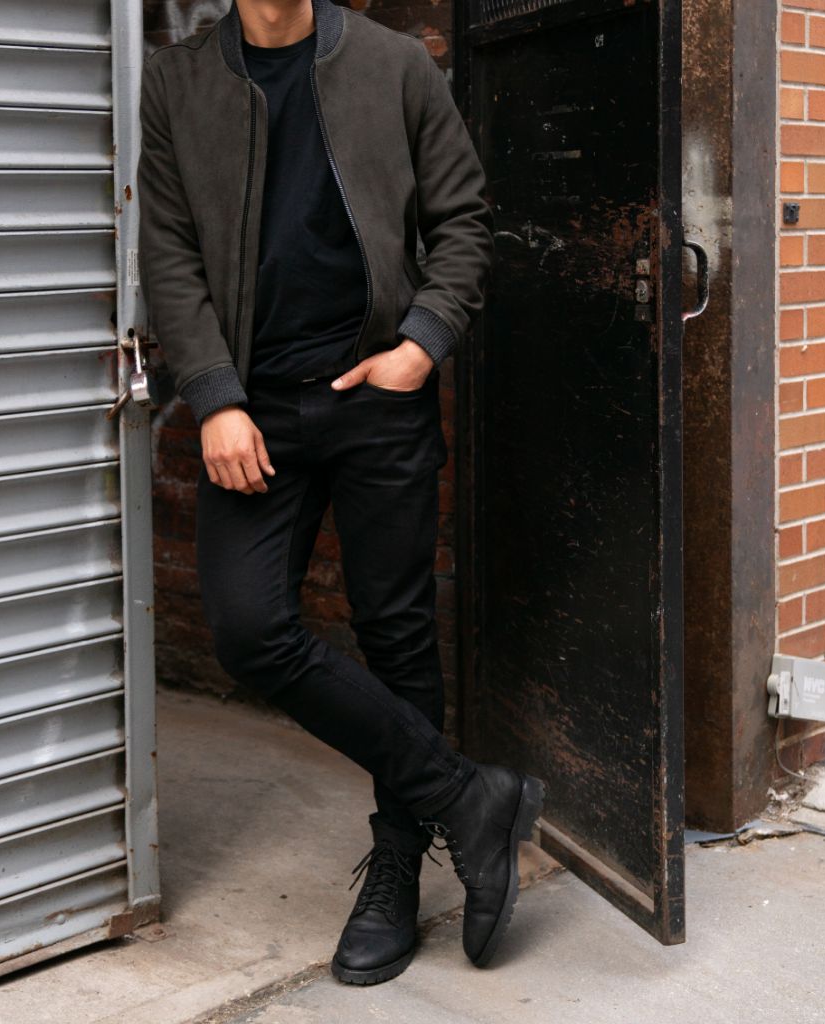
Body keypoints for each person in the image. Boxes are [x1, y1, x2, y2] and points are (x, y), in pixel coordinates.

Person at [137, 0, 545, 985]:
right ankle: (468, 796)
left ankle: (398, 866)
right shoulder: (176, 82)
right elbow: (169, 252)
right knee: (248, 628)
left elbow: (462, 221)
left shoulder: (396, 66)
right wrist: (214, 396)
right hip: (255, 409)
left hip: (378, 396)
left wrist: (421, 346)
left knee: (396, 632)